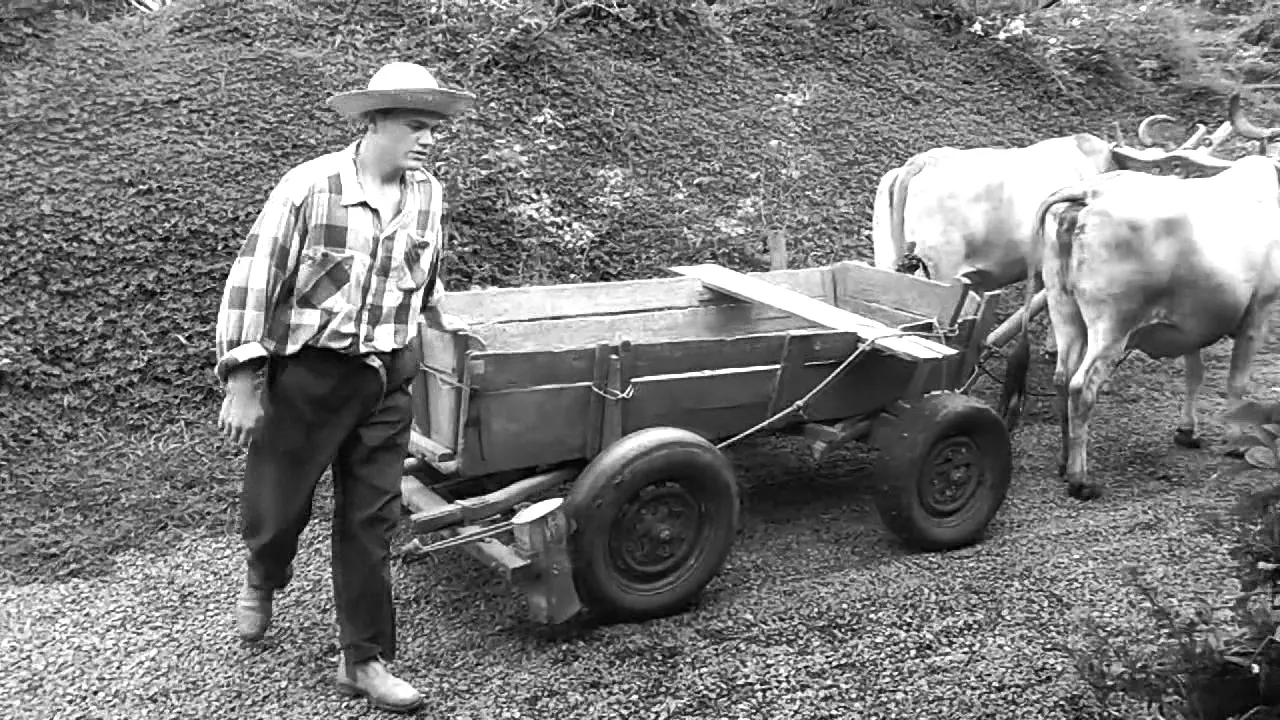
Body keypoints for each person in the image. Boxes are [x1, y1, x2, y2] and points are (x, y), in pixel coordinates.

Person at [213, 61, 475, 714]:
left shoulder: (428, 194)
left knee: (371, 522)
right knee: (278, 506)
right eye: (415, 125)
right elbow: (253, 281)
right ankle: (263, 572)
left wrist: (448, 322)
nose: (428, 139)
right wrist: (243, 382)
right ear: (374, 122)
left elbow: (425, 275)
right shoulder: (309, 188)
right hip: (312, 377)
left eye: (434, 127)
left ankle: (363, 660)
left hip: (387, 379)